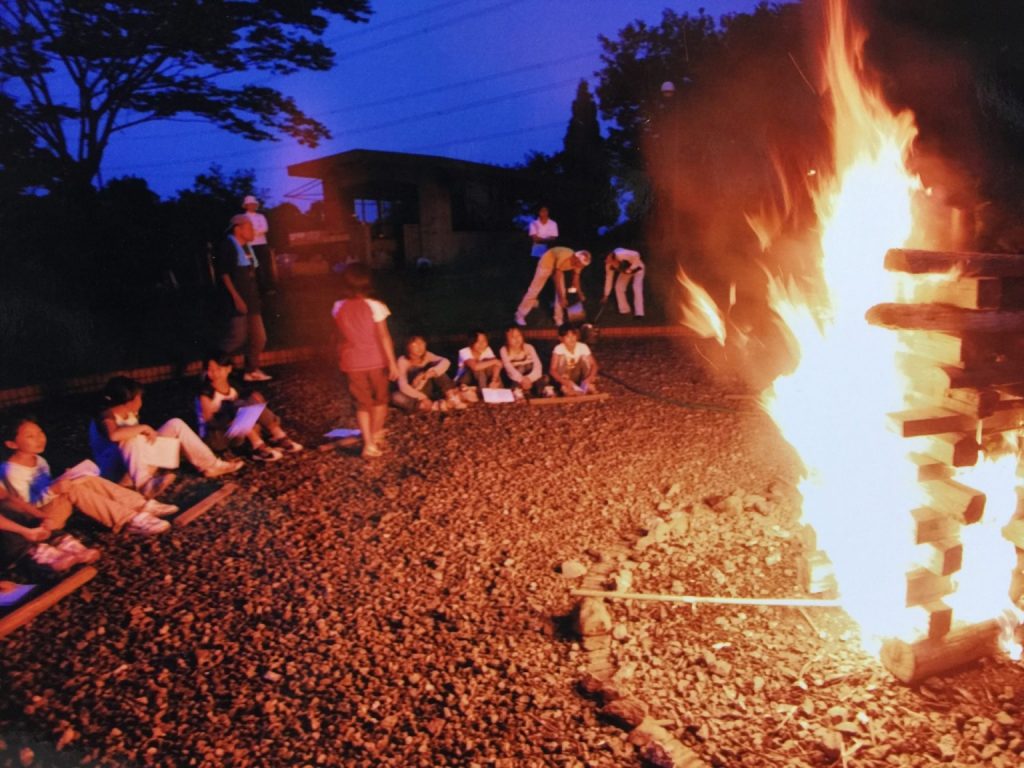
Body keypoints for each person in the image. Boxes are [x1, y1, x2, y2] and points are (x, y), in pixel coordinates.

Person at [2, 417, 173, 537]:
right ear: (11, 444)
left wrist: (64, 479)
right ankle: (128, 520)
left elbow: (46, 489)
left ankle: (141, 505)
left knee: (83, 478)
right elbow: (24, 508)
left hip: (52, 508)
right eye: (30, 436)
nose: (39, 439)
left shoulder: (38, 459)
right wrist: (53, 490)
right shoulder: (10, 471)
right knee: (74, 488)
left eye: (40, 432)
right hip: (39, 522)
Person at [89, 376, 243, 496]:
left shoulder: (129, 412)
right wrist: (142, 427)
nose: (141, 400)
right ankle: (145, 485)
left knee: (175, 424)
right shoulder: (106, 415)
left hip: (135, 467)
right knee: (130, 436)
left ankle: (211, 465)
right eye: (139, 397)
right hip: (117, 474)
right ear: (129, 401)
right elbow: (113, 435)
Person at [331, 263, 399, 459]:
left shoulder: (337, 306)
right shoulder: (376, 306)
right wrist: (392, 362)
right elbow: (384, 336)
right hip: (376, 360)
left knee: (361, 403)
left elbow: (340, 334)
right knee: (380, 399)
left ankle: (368, 443)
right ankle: (375, 434)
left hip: (351, 361)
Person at [195, 354, 304, 461]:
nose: (214, 373)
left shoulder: (233, 386)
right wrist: (230, 422)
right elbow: (208, 424)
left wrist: (254, 403)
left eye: (218, 369)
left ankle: (279, 437)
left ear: (228, 369)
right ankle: (258, 447)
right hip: (218, 437)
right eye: (210, 370)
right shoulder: (206, 394)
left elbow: (249, 402)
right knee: (237, 406)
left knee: (252, 400)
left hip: (240, 432)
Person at [214, 213, 272, 383]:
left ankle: (251, 370)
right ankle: (211, 366)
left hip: (251, 300)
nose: (253, 231)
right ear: (237, 229)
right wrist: (236, 298)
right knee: (237, 338)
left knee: (259, 338)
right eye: (250, 227)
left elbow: (251, 274)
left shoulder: (247, 248)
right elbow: (224, 275)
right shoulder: (228, 246)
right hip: (237, 300)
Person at [514, 247, 591, 327]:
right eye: (580, 264)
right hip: (546, 264)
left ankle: (558, 319)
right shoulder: (565, 256)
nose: (580, 266)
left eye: (582, 265)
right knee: (534, 290)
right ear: (576, 258)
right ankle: (519, 315)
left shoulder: (579, 264)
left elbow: (576, 279)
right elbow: (556, 278)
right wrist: (561, 298)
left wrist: (579, 293)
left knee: (562, 292)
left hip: (558, 269)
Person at [392, 336, 467, 413]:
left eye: (421, 343)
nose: (420, 347)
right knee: (395, 396)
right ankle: (432, 406)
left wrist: (427, 374)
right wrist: (422, 397)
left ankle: (452, 398)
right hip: (414, 393)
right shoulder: (402, 361)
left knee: (437, 369)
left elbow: (445, 361)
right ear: (407, 346)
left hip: (428, 388)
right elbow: (403, 386)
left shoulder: (427, 355)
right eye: (415, 345)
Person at [550, 323, 599, 396]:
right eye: (568, 336)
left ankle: (586, 386)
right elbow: (552, 370)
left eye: (573, 335)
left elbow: (594, 365)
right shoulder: (559, 349)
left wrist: (589, 378)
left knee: (584, 357)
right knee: (562, 357)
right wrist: (564, 382)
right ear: (561, 338)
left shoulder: (582, 347)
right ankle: (568, 388)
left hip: (580, 377)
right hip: (566, 377)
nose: (571, 339)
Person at [499, 325, 547, 397]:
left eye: (519, 335)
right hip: (516, 377)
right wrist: (522, 379)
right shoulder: (504, 350)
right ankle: (519, 393)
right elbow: (508, 368)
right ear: (506, 339)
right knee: (518, 373)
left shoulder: (529, 347)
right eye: (512, 337)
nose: (517, 339)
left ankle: (539, 394)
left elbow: (538, 365)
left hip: (531, 376)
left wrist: (529, 379)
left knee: (544, 379)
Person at [603, 248, 645, 317]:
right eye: (606, 260)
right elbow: (609, 279)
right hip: (625, 271)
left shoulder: (621, 253)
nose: (607, 261)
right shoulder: (609, 265)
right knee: (619, 287)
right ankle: (625, 310)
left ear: (611, 255)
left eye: (608, 258)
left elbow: (636, 254)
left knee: (636, 288)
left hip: (637, 267)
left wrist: (631, 268)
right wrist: (606, 295)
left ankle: (639, 313)